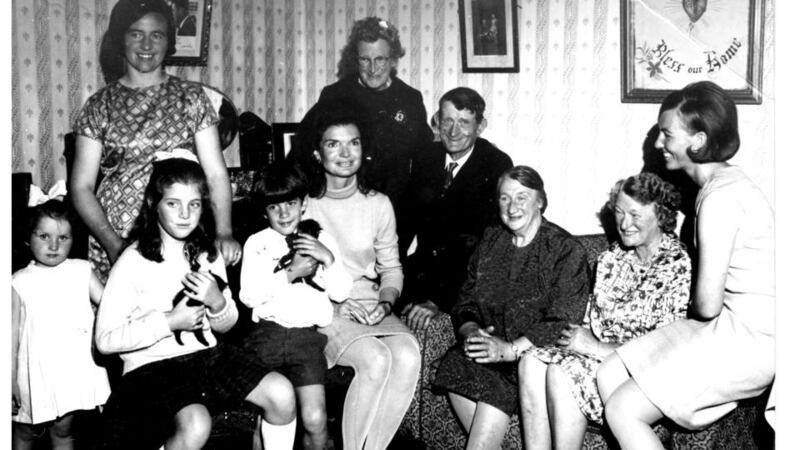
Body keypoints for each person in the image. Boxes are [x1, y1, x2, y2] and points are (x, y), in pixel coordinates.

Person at [597, 81, 775, 449]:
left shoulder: (720, 198)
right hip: (735, 327)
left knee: (622, 409)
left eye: (667, 134)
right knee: (612, 368)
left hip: (752, 339)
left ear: (697, 140)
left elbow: (707, 306)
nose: (659, 144)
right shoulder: (723, 184)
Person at [94, 155, 296, 450]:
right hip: (150, 369)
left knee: (281, 392)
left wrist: (217, 303)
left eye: (195, 204)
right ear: (154, 203)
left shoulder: (206, 254)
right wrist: (169, 321)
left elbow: (227, 326)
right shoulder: (133, 260)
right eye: (173, 203)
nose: (185, 214)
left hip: (205, 358)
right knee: (196, 422)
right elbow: (105, 340)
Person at [517, 172, 691, 449]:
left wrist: (597, 347)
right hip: (597, 358)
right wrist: (577, 336)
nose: (623, 223)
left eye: (635, 215)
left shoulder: (678, 265)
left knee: (561, 373)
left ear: (661, 215)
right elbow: (590, 320)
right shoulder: (611, 258)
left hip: (639, 377)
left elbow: (665, 350)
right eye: (619, 213)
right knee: (531, 361)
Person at [71, 0, 240, 284]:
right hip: (116, 235)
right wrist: (113, 244)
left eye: (157, 35)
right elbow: (81, 186)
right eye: (136, 33)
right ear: (121, 39)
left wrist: (224, 231)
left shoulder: (192, 98)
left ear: (169, 41)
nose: (147, 44)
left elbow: (215, 174)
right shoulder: (99, 104)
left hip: (179, 231)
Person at [432, 166, 591, 449]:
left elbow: (563, 320)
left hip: (532, 361)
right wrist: (472, 333)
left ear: (540, 200)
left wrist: (509, 349)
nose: (512, 207)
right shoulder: (492, 241)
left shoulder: (565, 250)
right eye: (505, 198)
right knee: (454, 363)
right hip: (489, 355)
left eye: (522, 197)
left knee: (495, 391)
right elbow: (465, 301)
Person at [295, 98, 421, 450]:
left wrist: (385, 303)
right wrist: (335, 308)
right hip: (322, 308)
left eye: (354, 142)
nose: (345, 153)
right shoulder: (304, 205)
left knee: (409, 354)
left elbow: (392, 269)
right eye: (333, 144)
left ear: (364, 150)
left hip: (369, 302)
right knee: (376, 359)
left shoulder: (378, 203)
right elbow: (293, 277)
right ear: (317, 153)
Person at [239, 162, 353, 450]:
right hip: (266, 336)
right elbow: (249, 296)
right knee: (260, 422)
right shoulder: (257, 243)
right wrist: (292, 273)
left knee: (315, 420)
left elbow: (341, 292)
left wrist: (328, 260)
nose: (284, 213)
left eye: (291, 203)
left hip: (305, 339)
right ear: (264, 211)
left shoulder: (321, 240)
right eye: (275, 207)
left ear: (303, 204)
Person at [297, 16, 433, 227]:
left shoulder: (409, 99)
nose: (373, 68)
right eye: (365, 59)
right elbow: (303, 147)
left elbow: (425, 158)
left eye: (380, 59)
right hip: (342, 208)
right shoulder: (335, 95)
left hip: (395, 209)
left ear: (394, 60)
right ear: (355, 59)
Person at [400, 87, 512, 332]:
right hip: (422, 269)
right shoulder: (424, 157)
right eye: (447, 120)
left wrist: (436, 301)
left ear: (480, 126)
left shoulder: (495, 165)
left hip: (463, 277)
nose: (453, 131)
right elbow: (405, 223)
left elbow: (481, 247)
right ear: (437, 121)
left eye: (464, 122)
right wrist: (390, 275)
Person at [12, 197, 110, 450]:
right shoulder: (18, 282)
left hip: (70, 367)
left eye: (63, 238)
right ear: (27, 238)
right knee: (25, 429)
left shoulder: (81, 270)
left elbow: (111, 305)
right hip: (34, 370)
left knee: (64, 429)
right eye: (44, 236)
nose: (54, 245)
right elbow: (10, 337)